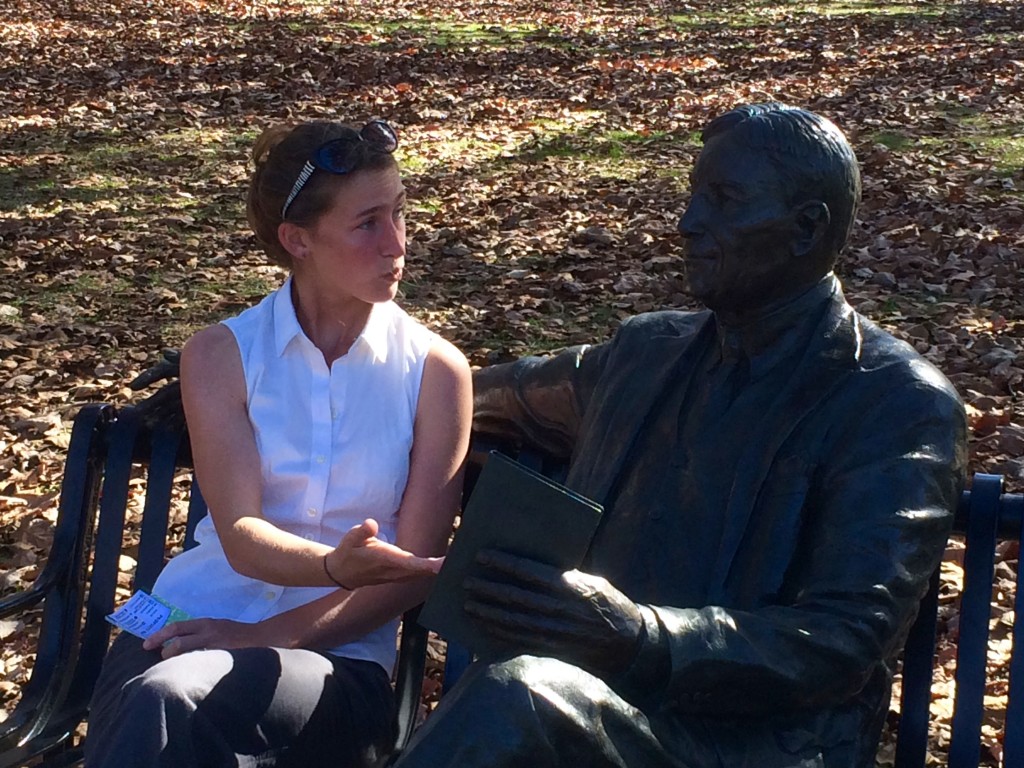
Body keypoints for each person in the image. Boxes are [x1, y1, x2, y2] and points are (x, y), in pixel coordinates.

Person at [391, 104, 967, 768]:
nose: (689, 223)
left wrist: (643, 637)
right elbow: (476, 394)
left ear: (807, 228)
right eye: (695, 195)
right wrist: (347, 398)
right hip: (592, 715)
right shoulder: (645, 356)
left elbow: (840, 640)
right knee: (523, 696)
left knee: (521, 696)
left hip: (757, 745)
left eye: (722, 202)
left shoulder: (895, 404)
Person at [84, 119, 472, 768]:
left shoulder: (436, 373)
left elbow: (413, 570)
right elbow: (238, 531)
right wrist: (330, 565)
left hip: (336, 663)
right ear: (298, 239)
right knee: (152, 704)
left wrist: (262, 637)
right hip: (187, 611)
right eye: (368, 223)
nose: (397, 244)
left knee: (166, 704)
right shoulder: (219, 355)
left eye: (401, 213)